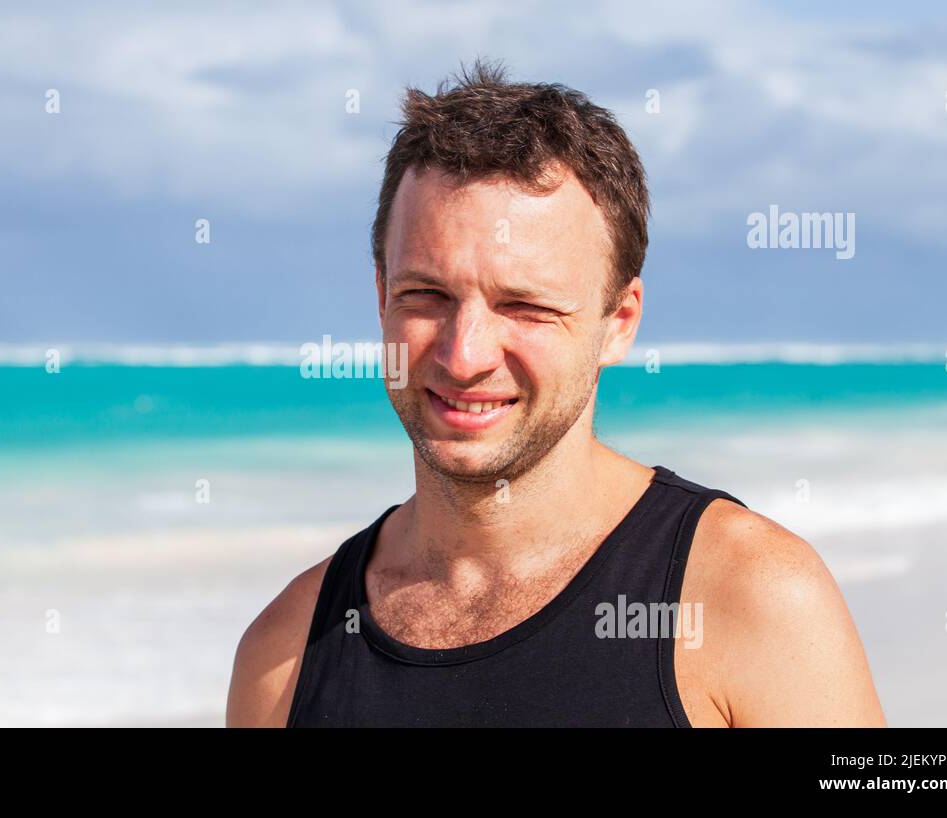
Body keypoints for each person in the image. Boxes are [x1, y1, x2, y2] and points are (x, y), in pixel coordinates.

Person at [227, 60, 885, 727]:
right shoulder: (285, 654)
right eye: (426, 295)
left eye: (525, 306)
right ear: (380, 297)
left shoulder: (749, 599)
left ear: (617, 323)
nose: (465, 354)